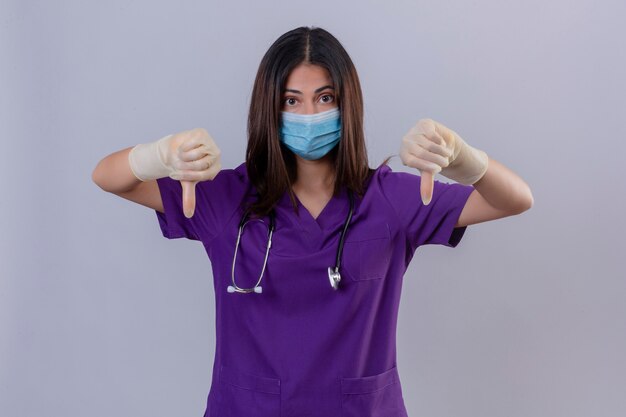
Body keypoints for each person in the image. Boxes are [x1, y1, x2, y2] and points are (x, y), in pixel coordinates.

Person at [92, 26, 533, 417]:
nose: (309, 115)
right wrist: (158, 154)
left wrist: (464, 159)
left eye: (325, 98)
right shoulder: (225, 198)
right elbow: (109, 177)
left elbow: (515, 199)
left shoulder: (392, 199)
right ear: (271, 108)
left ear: (347, 105)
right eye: (291, 100)